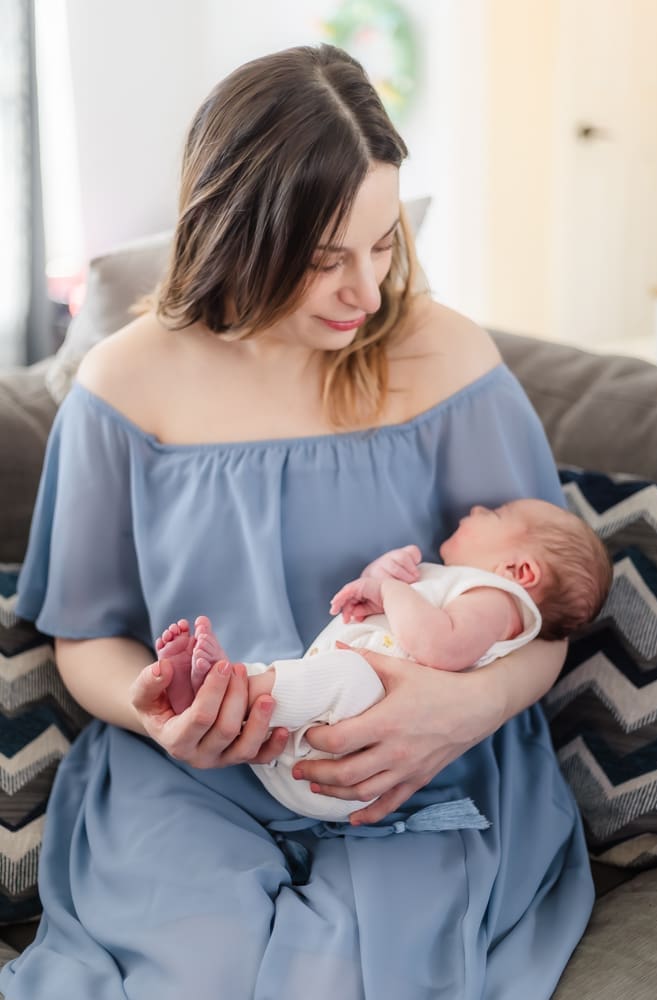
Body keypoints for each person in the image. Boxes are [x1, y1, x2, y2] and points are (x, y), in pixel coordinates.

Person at [0, 44, 595, 1000]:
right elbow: (85, 637)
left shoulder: (443, 357)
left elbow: (546, 609)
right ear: (233, 236)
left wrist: (463, 711)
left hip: (417, 764)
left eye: (383, 244)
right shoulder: (122, 387)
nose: (367, 291)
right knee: (196, 973)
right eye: (324, 261)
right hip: (191, 780)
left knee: (366, 972)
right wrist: (162, 717)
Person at [155, 498, 612, 821]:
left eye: (494, 514)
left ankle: (224, 686)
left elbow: (439, 646)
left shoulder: (497, 600)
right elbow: (392, 619)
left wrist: (390, 589)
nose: (476, 508)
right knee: (300, 677)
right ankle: (210, 695)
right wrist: (379, 579)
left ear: (519, 571)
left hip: (356, 755)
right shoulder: (453, 586)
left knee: (342, 674)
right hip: (306, 749)